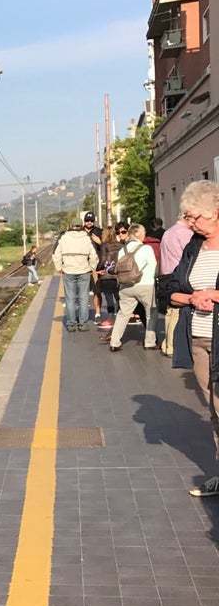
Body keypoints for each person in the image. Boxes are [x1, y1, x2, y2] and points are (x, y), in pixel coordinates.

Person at [160, 180, 219, 495]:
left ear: (216, 210)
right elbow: (169, 289)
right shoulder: (193, 246)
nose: (190, 223)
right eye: (188, 217)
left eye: (196, 217)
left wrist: (214, 294)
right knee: (213, 409)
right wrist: (193, 298)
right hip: (198, 338)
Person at [106, 223, 157, 351]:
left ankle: (114, 342)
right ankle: (150, 342)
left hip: (125, 286)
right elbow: (154, 267)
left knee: (123, 314)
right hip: (145, 286)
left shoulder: (122, 250)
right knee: (151, 313)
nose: (145, 234)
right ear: (138, 234)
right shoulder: (146, 249)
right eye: (143, 232)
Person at [52, 221, 98, 331]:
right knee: (83, 298)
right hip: (84, 271)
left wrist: (59, 268)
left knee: (70, 298)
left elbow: (56, 254)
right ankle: (83, 324)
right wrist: (92, 267)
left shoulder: (63, 238)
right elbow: (93, 255)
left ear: (70, 226)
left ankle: (71, 324)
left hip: (68, 271)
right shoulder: (86, 238)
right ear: (81, 226)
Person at [159, 214, 193, 357]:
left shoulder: (168, 232)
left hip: (165, 274)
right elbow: (190, 255)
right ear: (187, 217)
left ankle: (167, 343)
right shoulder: (185, 233)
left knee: (170, 312)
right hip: (178, 274)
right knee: (177, 313)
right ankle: (172, 346)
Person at [94, 225, 120, 329]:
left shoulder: (104, 245)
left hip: (106, 275)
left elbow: (103, 260)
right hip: (118, 275)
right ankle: (120, 317)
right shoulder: (121, 245)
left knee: (109, 298)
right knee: (118, 297)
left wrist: (97, 269)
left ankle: (110, 318)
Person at [83, 212, 103, 319]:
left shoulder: (99, 231)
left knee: (97, 290)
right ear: (84, 221)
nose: (89, 222)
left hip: (96, 266)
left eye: (91, 221)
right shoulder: (80, 232)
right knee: (83, 291)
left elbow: (106, 245)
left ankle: (98, 312)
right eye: (87, 220)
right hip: (82, 266)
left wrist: (100, 242)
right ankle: (83, 313)